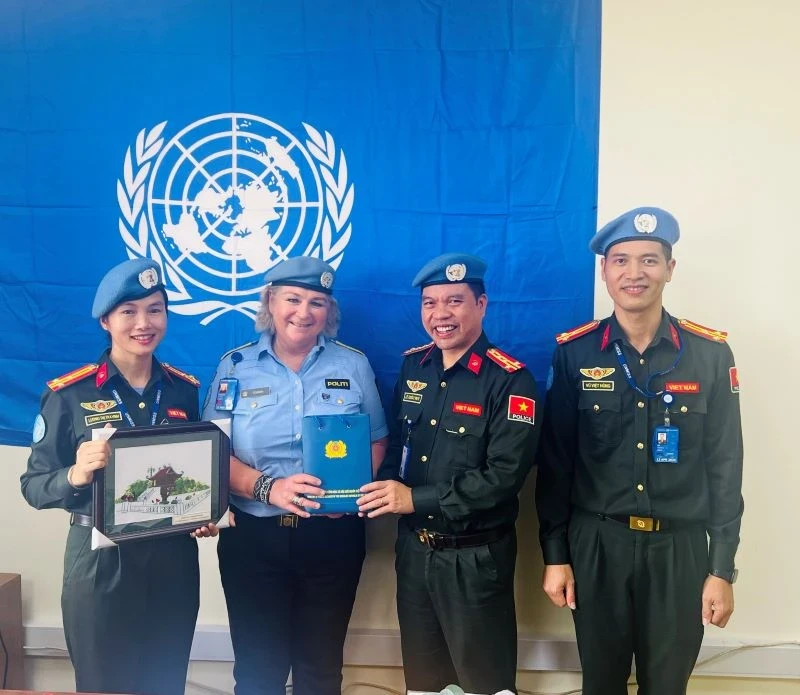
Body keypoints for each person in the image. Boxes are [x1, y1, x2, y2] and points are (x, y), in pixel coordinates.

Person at [535, 207, 744, 695]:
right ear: (605, 272)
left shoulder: (710, 354)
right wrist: (555, 554)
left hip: (681, 549)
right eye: (621, 261)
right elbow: (556, 464)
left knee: (667, 686)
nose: (635, 273)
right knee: (601, 683)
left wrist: (722, 568)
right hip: (598, 545)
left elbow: (725, 465)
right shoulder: (575, 353)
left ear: (671, 269)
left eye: (649, 260)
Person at [21, 258, 211, 695]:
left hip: (172, 558)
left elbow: (195, 473)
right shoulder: (70, 393)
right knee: (104, 685)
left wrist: (204, 512)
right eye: (129, 312)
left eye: (155, 309)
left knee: (166, 683)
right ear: (106, 320)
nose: (144, 323)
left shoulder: (184, 389)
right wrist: (76, 472)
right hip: (101, 559)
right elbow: (33, 486)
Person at [202, 256, 389, 695]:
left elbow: (377, 440)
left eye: (317, 302)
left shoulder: (353, 365)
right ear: (270, 302)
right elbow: (213, 452)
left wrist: (349, 495)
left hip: (331, 537)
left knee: (321, 671)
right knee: (257, 671)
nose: (304, 313)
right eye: (293, 299)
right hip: (254, 539)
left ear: (329, 311)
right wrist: (269, 488)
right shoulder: (235, 367)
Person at [358, 253, 540, 695]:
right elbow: (398, 450)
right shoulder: (412, 367)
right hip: (415, 554)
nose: (441, 315)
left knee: (485, 684)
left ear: (481, 304)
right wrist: (366, 490)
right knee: (422, 683)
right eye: (430, 303)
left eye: (454, 301)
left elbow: (503, 477)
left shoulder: (511, 381)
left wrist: (411, 500)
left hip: (475, 558)